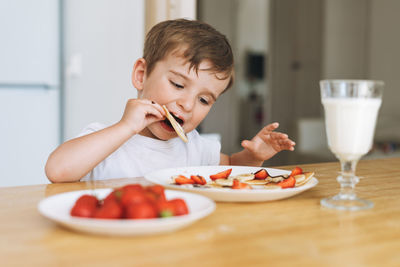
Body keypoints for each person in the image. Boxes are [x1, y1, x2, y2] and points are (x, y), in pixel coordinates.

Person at [45, 19, 295, 183]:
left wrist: (253, 158)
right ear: (141, 75)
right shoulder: (106, 139)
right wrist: (125, 127)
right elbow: (58, 171)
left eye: (204, 100)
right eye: (177, 84)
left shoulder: (194, 147)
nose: (187, 105)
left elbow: (230, 166)